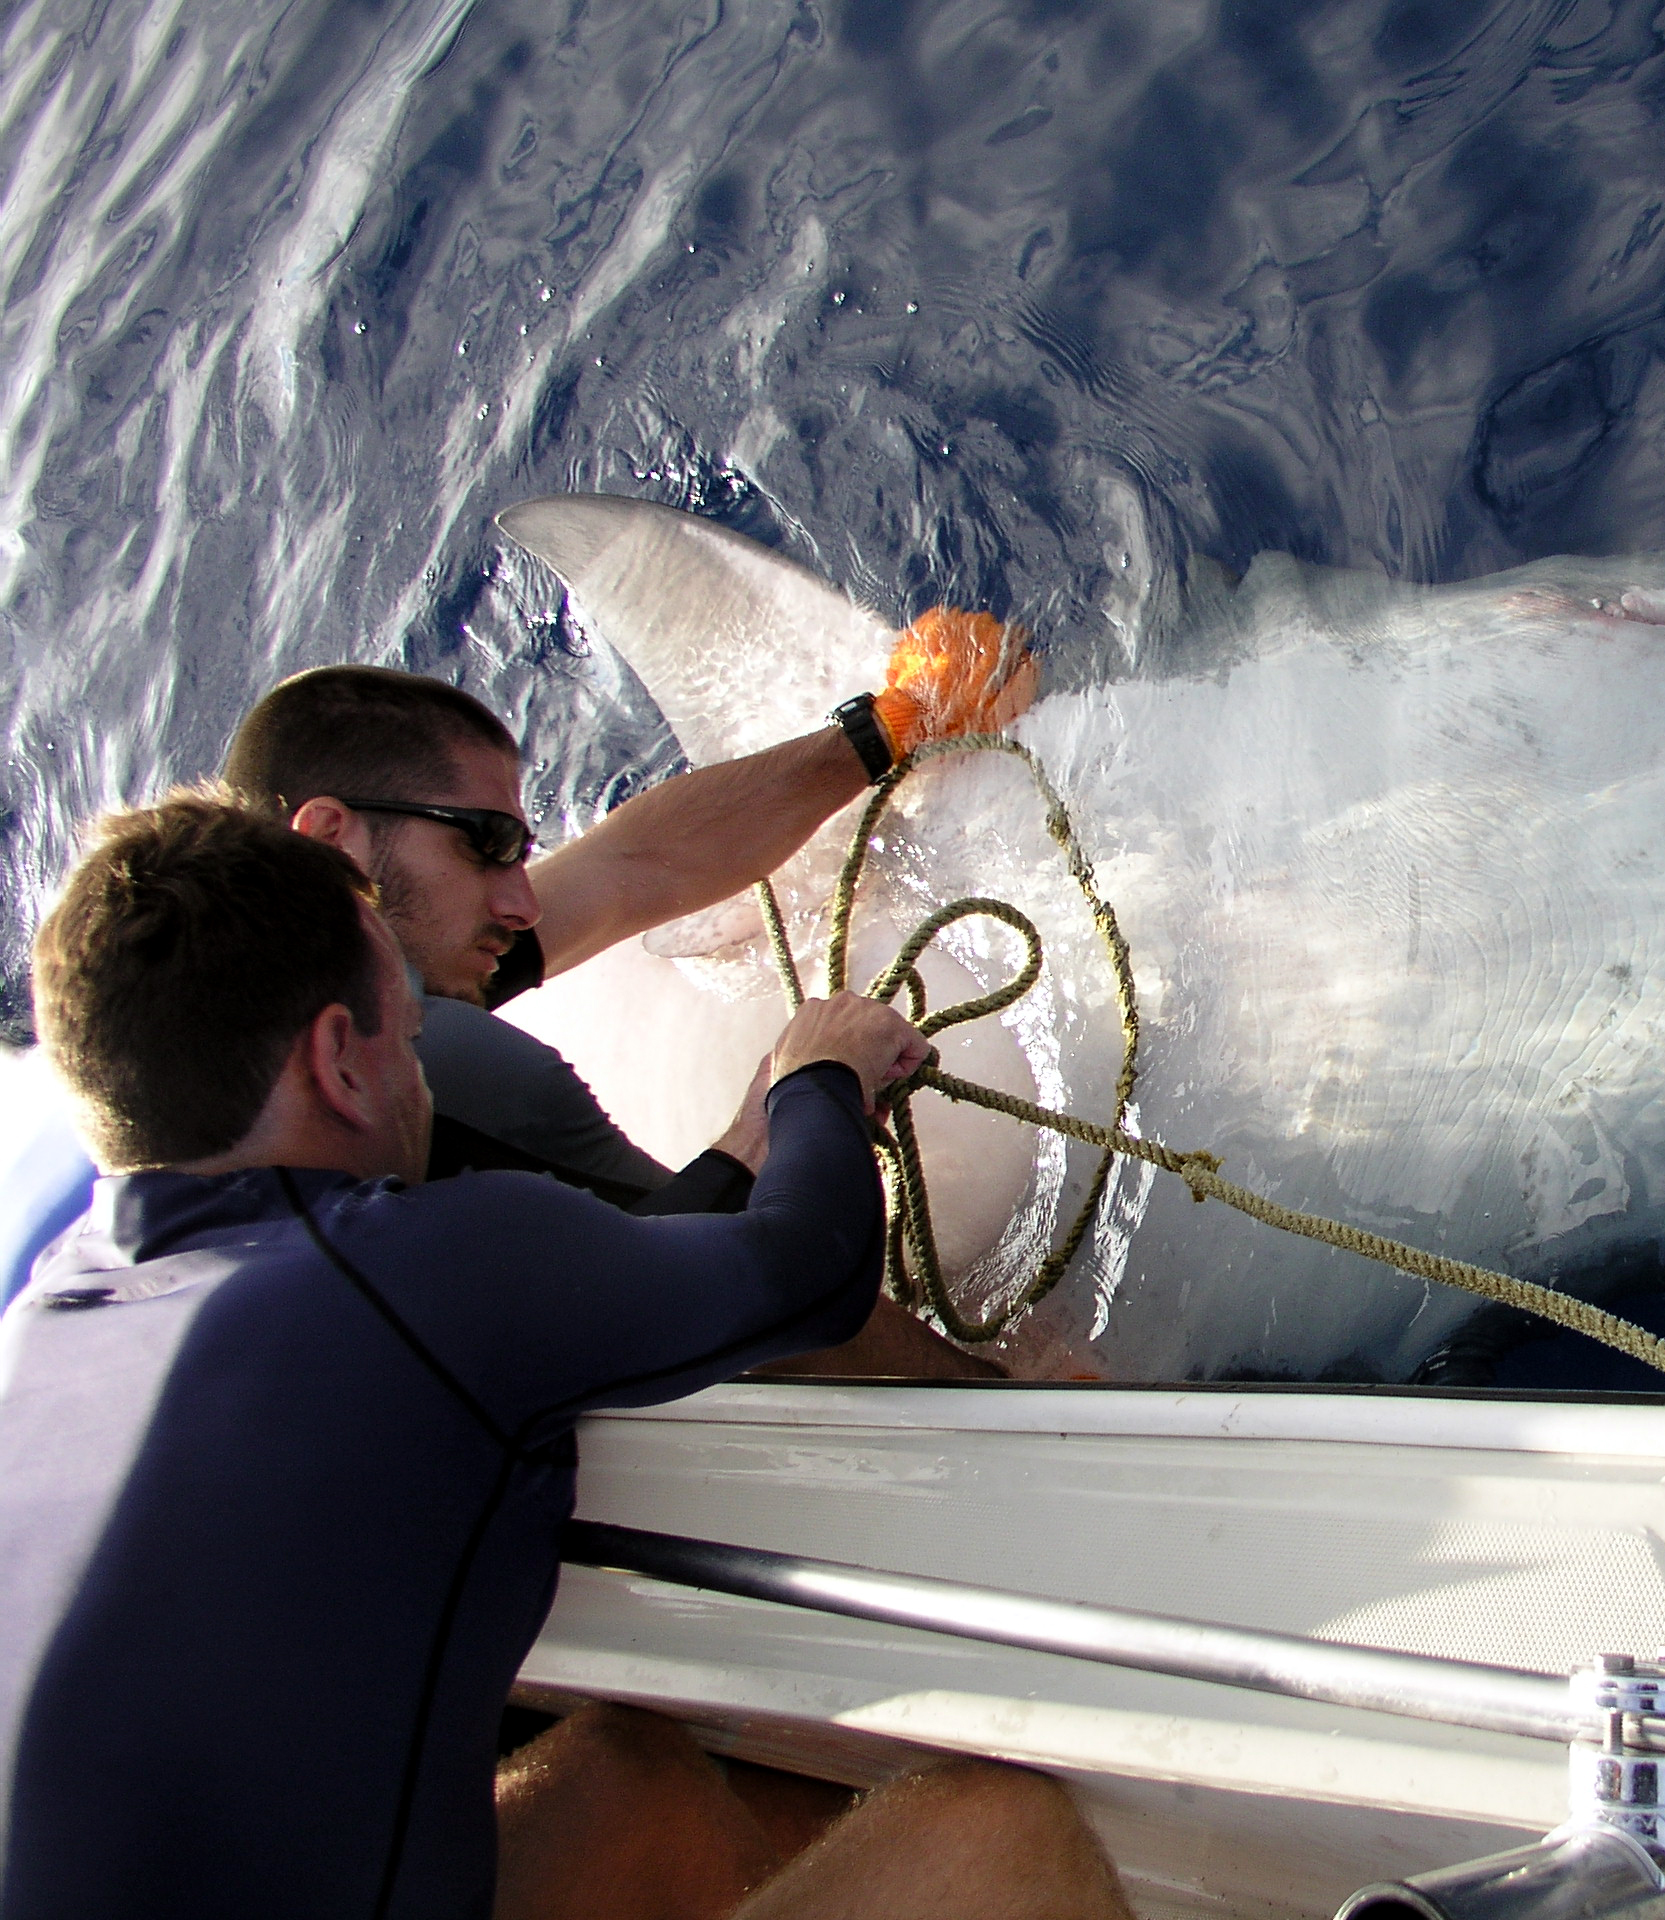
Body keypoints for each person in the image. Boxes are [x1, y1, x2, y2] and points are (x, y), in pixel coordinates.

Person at [0, 792, 1132, 1920]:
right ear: (340, 1060)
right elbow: (812, 1270)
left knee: (631, 1782)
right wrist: (818, 1079)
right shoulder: (412, 1268)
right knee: (997, 1835)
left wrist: (740, 1144)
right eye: (406, 1026)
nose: (425, 1076)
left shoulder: (36, 1332)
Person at [3, 607, 1032, 1378]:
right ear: (331, 841)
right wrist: (1016, 1397)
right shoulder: (425, 1061)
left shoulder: (242, 1000)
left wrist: (882, 729)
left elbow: (637, 865)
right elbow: (739, 1293)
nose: (516, 894)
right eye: (485, 844)